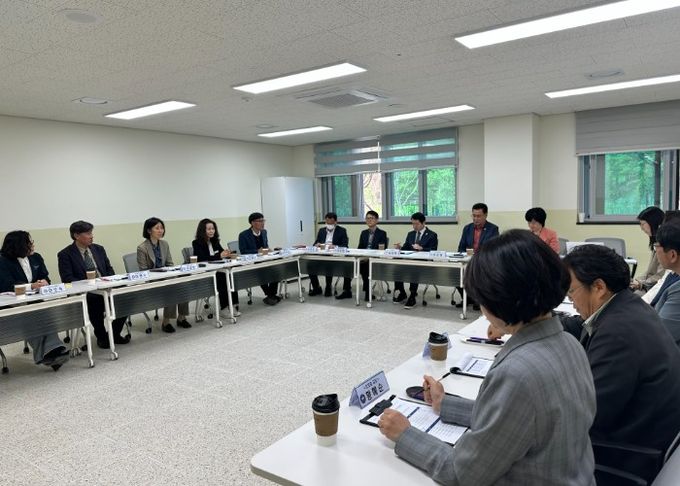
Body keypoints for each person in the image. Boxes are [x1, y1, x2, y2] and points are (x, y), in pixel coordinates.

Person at [379, 230, 596, 485]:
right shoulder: (570, 344)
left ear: (498, 300)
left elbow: (462, 473)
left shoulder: (518, 374)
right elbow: (513, 421)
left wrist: (405, 435)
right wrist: (445, 404)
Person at [563, 244, 680, 478]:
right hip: (641, 436)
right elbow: (580, 326)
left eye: (571, 291)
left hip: (624, 458)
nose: (570, 299)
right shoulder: (628, 306)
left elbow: (586, 418)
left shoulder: (618, 334)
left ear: (599, 287)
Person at [0, 231, 70, 369]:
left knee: (45, 313)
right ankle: (52, 351)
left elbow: (45, 276)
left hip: (35, 300)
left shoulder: (36, 257)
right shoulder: (3, 261)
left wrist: (44, 282)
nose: (32, 245)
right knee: (31, 316)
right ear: (19, 245)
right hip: (12, 305)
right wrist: (31, 286)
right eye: (29, 242)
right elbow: (6, 285)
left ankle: (51, 352)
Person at [58, 220, 130, 349]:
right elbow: (67, 279)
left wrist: (109, 282)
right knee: (95, 300)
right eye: (88, 233)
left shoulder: (98, 249)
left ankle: (113, 334)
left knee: (124, 296)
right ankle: (101, 337)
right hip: (86, 292)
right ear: (76, 235)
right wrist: (90, 284)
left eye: (91, 233)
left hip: (105, 287)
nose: (91, 236)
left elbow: (109, 269)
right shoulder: (65, 254)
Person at [137, 217, 191, 332]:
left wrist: (170, 273)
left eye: (162, 228)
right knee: (171, 287)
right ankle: (166, 322)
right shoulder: (142, 248)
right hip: (152, 282)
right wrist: (160, 274)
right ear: (149, 230)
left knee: (183, 284)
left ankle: (181, 317)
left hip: (166, 278)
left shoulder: (164, 244)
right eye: (157, 228)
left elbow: (169, 264)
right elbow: (143, 271)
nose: (160, 230)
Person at [192, 218, 240, 317]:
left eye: (213, 229)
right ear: (202, 230)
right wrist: (220, 256)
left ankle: (233, 305)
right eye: (209, 229)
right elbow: (203, 258)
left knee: (231, 275)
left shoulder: (215, 241)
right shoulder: (196, 243)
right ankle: (224, 308)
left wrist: (227, 253)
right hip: (206, 272)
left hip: (218, 269)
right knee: (222, 277)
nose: (211, 231)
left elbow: (221, 253)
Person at [456, 203, 499, 308]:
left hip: (484, 262)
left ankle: (479, 300)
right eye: (474, 216)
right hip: (468, 260)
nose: (475, 219)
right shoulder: (467, 228)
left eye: (478, 216)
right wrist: (466, 255)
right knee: (456, 274)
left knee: (480, 275)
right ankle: (467, 298)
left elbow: (493, 249)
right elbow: (461, 247)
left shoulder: (493, 229)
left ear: (486, 215)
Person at [393, 212, 438, 309]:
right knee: (397, 267)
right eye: (412, 223)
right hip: (410, 261)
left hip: (423, 263)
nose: (414, 226)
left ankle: (412, 296)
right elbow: (405, 248)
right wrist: (400, 248)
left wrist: (422, 248)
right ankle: (402, 292)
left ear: (423, 223)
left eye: (416, 224)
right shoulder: (410, 234)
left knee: (414, 269)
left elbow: (434, 250)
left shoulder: (432, 235)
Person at [238, 212, 280, 306]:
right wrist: (257, 251)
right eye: (260, 221)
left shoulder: (264, 232)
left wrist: (268, 250)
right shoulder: (243, 235)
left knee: (276, 270)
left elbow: (265, 246)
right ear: (252, 223)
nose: (262, 223)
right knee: (261, 272)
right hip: (252, 262)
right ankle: (271, 296)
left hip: (265, 260)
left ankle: (271, 296)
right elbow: (243, 251)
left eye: (263, 220)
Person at [308, 212, 352, 299]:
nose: (329, 225)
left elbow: (345, 245)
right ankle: (316, 287)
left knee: (329, 264)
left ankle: (328, 286)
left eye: (331, 223)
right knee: (309, 265)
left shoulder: (342, 231)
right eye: (327, 223)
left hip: (335, 257)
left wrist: (335, 246)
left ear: (335, 222)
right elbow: (315, 244)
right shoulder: (321, 231)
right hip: (322, 255)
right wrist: (317, 245)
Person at [651, 221, 680, 345]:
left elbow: (658, 337)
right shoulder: (673, 277)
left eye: (656, 247)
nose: (655, 252)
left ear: (672, 255)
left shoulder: (678, 292)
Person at [631, 206, 665, 293]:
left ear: (653, 223)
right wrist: (637, 281)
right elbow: (650, 272)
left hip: (656, 288)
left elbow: (661, 275)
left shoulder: (664, 244)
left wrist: (640, 284)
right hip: (650, 285)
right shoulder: (656, 242)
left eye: (643, 224)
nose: (641, 228)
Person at [357, 210, 388, 301]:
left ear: (377, 220)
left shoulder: (382, 233)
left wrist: (369, 256)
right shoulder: (363, 233)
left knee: (365, 266)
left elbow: (382, 249)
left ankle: (368, 292)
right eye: (367, 218)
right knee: (355, 264)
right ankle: (349, 290)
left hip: (375, 259)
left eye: (371, 218)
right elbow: (360, 248)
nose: (369, 220)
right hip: (364, 258)